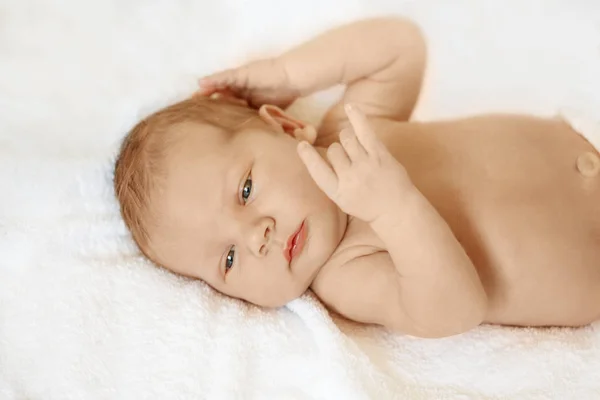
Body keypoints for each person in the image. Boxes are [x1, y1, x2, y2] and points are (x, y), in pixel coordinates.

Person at [114, 17, 600, 338]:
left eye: (245, 190)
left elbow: (398, 47)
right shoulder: (346, 273)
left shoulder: (347, 131)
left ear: (284, 125)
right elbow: (454, 309)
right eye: (228, 259)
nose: (256, 236)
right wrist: (395, 210)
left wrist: (288, 74)